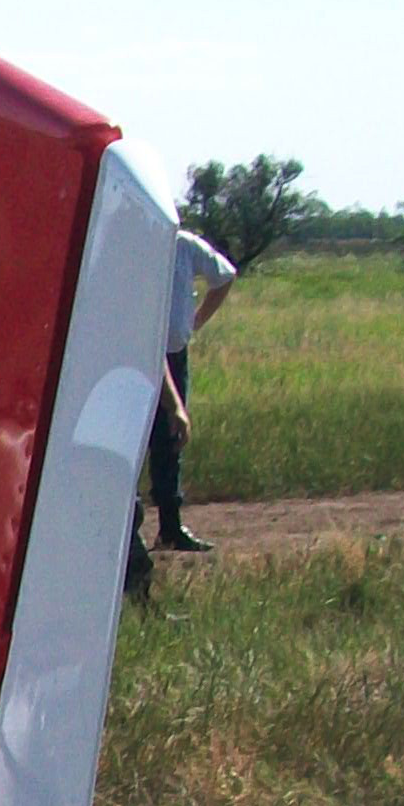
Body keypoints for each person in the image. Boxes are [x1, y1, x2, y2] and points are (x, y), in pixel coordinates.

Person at [127, 225, 239, 597]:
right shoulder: (134, 245)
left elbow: (225, 276)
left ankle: (170, 527)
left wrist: (196, 321)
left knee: (171, 439)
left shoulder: (184, 246)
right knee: (134, 439)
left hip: (173, 354)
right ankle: (129, 529)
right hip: (136, 355)